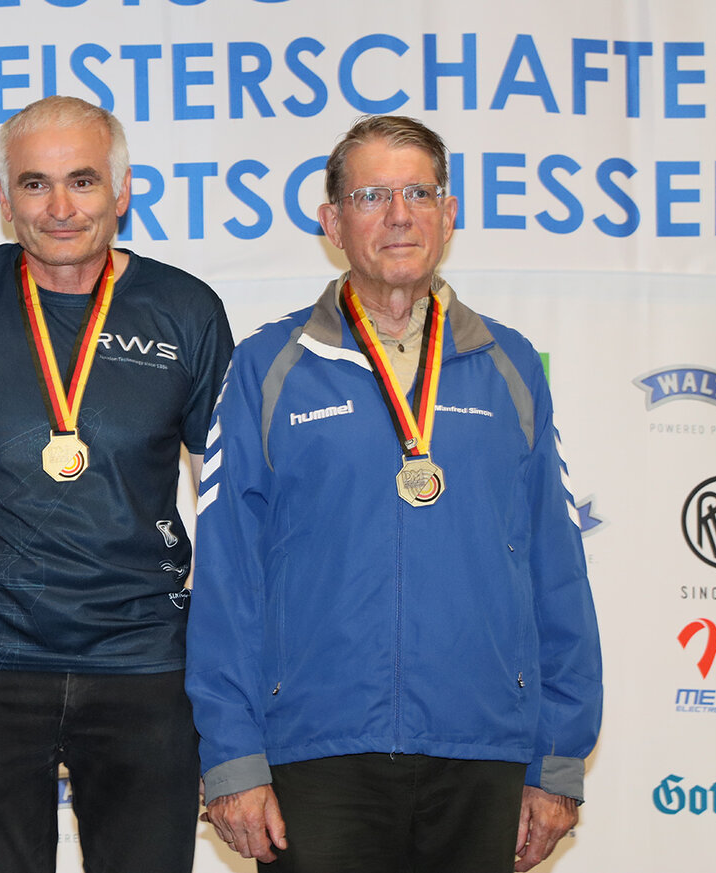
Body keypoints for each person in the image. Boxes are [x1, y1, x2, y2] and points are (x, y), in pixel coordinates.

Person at [186, 115, 602, 872]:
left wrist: (557, 759)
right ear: (332, 222)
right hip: (315, 748)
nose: (400, 215)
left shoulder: (509, 364)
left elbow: (556, 567)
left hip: (483, 747)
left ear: (450, 212)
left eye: (420, 192)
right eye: (372, 195)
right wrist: (233, 755)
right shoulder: (267, 366)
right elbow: (227, 577)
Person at [0, 95, 234, 873]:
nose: (60, 207)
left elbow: (233, 491)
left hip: (143, 661)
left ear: (122, 189)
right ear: (3, 198)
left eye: (82, 180)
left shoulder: (185, 310)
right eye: (35, 184)